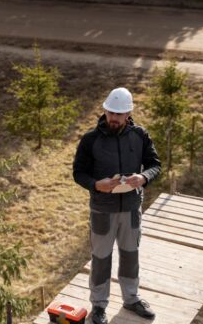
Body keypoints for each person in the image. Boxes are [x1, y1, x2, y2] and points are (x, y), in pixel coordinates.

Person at [72, 87, 161, 324]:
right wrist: (95, 184)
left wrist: (143, 178)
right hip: (102, 209)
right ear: (105, 110)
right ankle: (99, 305)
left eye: (118, 114)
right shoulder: (90, 139)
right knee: (101, 258)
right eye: (110, 112)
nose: (113, 118)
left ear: (128, 114)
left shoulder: (140, 136)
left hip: (131, 208)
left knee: (131, 255)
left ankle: (131, 298)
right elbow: (78, 173)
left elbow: (154, 165)